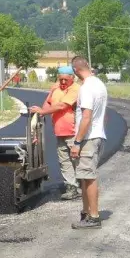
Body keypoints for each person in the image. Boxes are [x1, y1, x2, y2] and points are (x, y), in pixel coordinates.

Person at [29, 66, 80, 200]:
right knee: (64, 161)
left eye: (66, 80)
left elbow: (62, 106)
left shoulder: (75, 89)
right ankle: (72, 187)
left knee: (77, 159)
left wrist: (43, 112)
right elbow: (48, 103)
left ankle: (83, 185)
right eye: (61, 79)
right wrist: (39, 114)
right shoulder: (55, 88)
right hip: (59, 131)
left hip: (74, 131)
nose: (63, 82)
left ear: (72, 78)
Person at [69, 55, 108, 229]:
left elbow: (86, 117)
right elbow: (103, 114)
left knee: (89, 177)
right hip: (97, 135)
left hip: (88, 139)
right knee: (85, 177)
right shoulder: (99, 84)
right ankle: (86, 213)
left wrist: (77, 142)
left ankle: (93, 217)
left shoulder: (86, 88)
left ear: (76, 70)